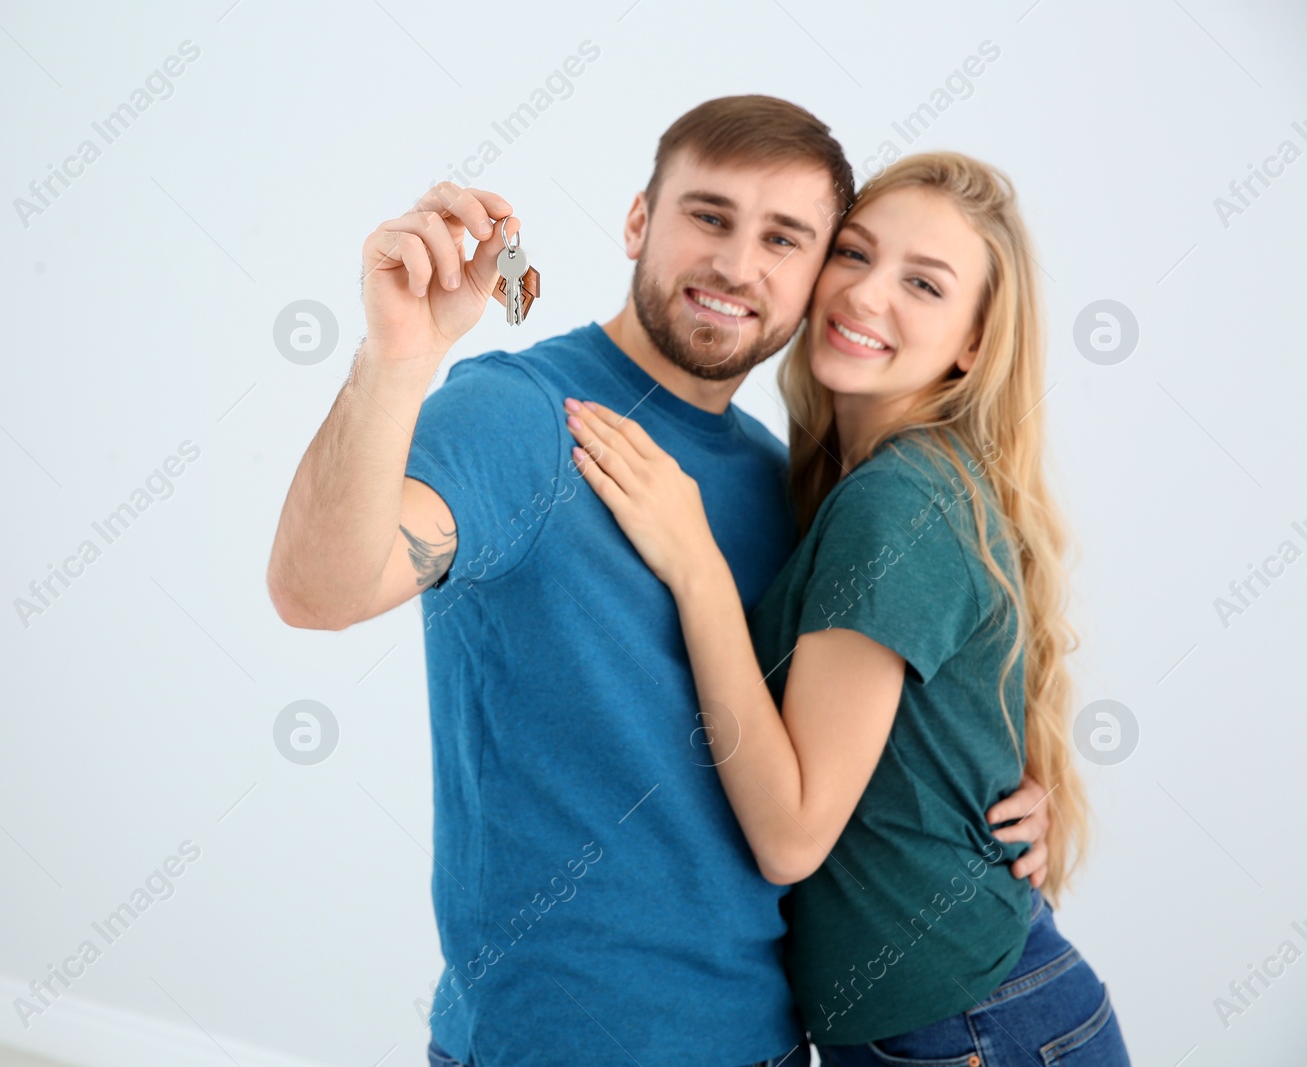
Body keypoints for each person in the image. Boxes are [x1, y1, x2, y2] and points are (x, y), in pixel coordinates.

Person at [267, 98, 1054, 1067]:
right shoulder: (521, 416)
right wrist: (397, 359)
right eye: (709, 216)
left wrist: (996, 808)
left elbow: (835, 745)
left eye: (785, 238)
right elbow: (318, 590)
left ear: (810, 277)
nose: (736, 264)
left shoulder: (789, 485)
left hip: (768, 1040)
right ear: (639, 219)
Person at [564, 151, 1131, 1064]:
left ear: (974, 343)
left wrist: (696, 568)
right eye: (855, 254)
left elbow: (791, 836)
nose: (867, 296)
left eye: (923, 283)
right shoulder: (874, 486)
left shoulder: (898, 501)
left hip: (972, 1030)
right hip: (965, 1020)